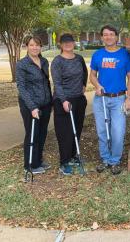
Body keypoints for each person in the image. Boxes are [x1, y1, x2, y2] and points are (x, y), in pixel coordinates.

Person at [90, 25, 130, 175]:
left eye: (111, 34)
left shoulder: (125, 55)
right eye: (105, 35)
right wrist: (97, 85)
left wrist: (129, 98)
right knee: (102, 131)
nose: (108, 37)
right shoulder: (97, 55)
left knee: (118, 131)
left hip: (119, 99)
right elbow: (92, 75)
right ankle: (105, 160)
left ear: (116, 37)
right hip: (100, 99)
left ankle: (115, 161)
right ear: (102, 37)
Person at [51, 33, 88, 175]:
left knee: (76, 129)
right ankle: (64, 162)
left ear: (74, 43)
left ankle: (73, 156)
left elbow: (85, 73)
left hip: (79, 99)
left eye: (70, 42)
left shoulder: (79, 58)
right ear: (60, 44)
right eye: (64, 42)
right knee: (64, 132)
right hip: (63, 101)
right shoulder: (57, 61)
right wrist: (64, 100)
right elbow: (57, 83)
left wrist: (83, 85)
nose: (68, 44)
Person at [16, 36, 52, 174]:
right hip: (30, 105)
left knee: (42, 133)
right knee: (32, 134)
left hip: (45, 104)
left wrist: (50, 100)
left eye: (37, 45)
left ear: (40, 47)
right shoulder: (22, 64)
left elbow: (46, 82)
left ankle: (38, 160)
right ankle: (29, 164)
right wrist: (32, 107)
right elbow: (22, 87)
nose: (35, 47)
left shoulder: (44, 61)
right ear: (27, 47)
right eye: (31, 45)